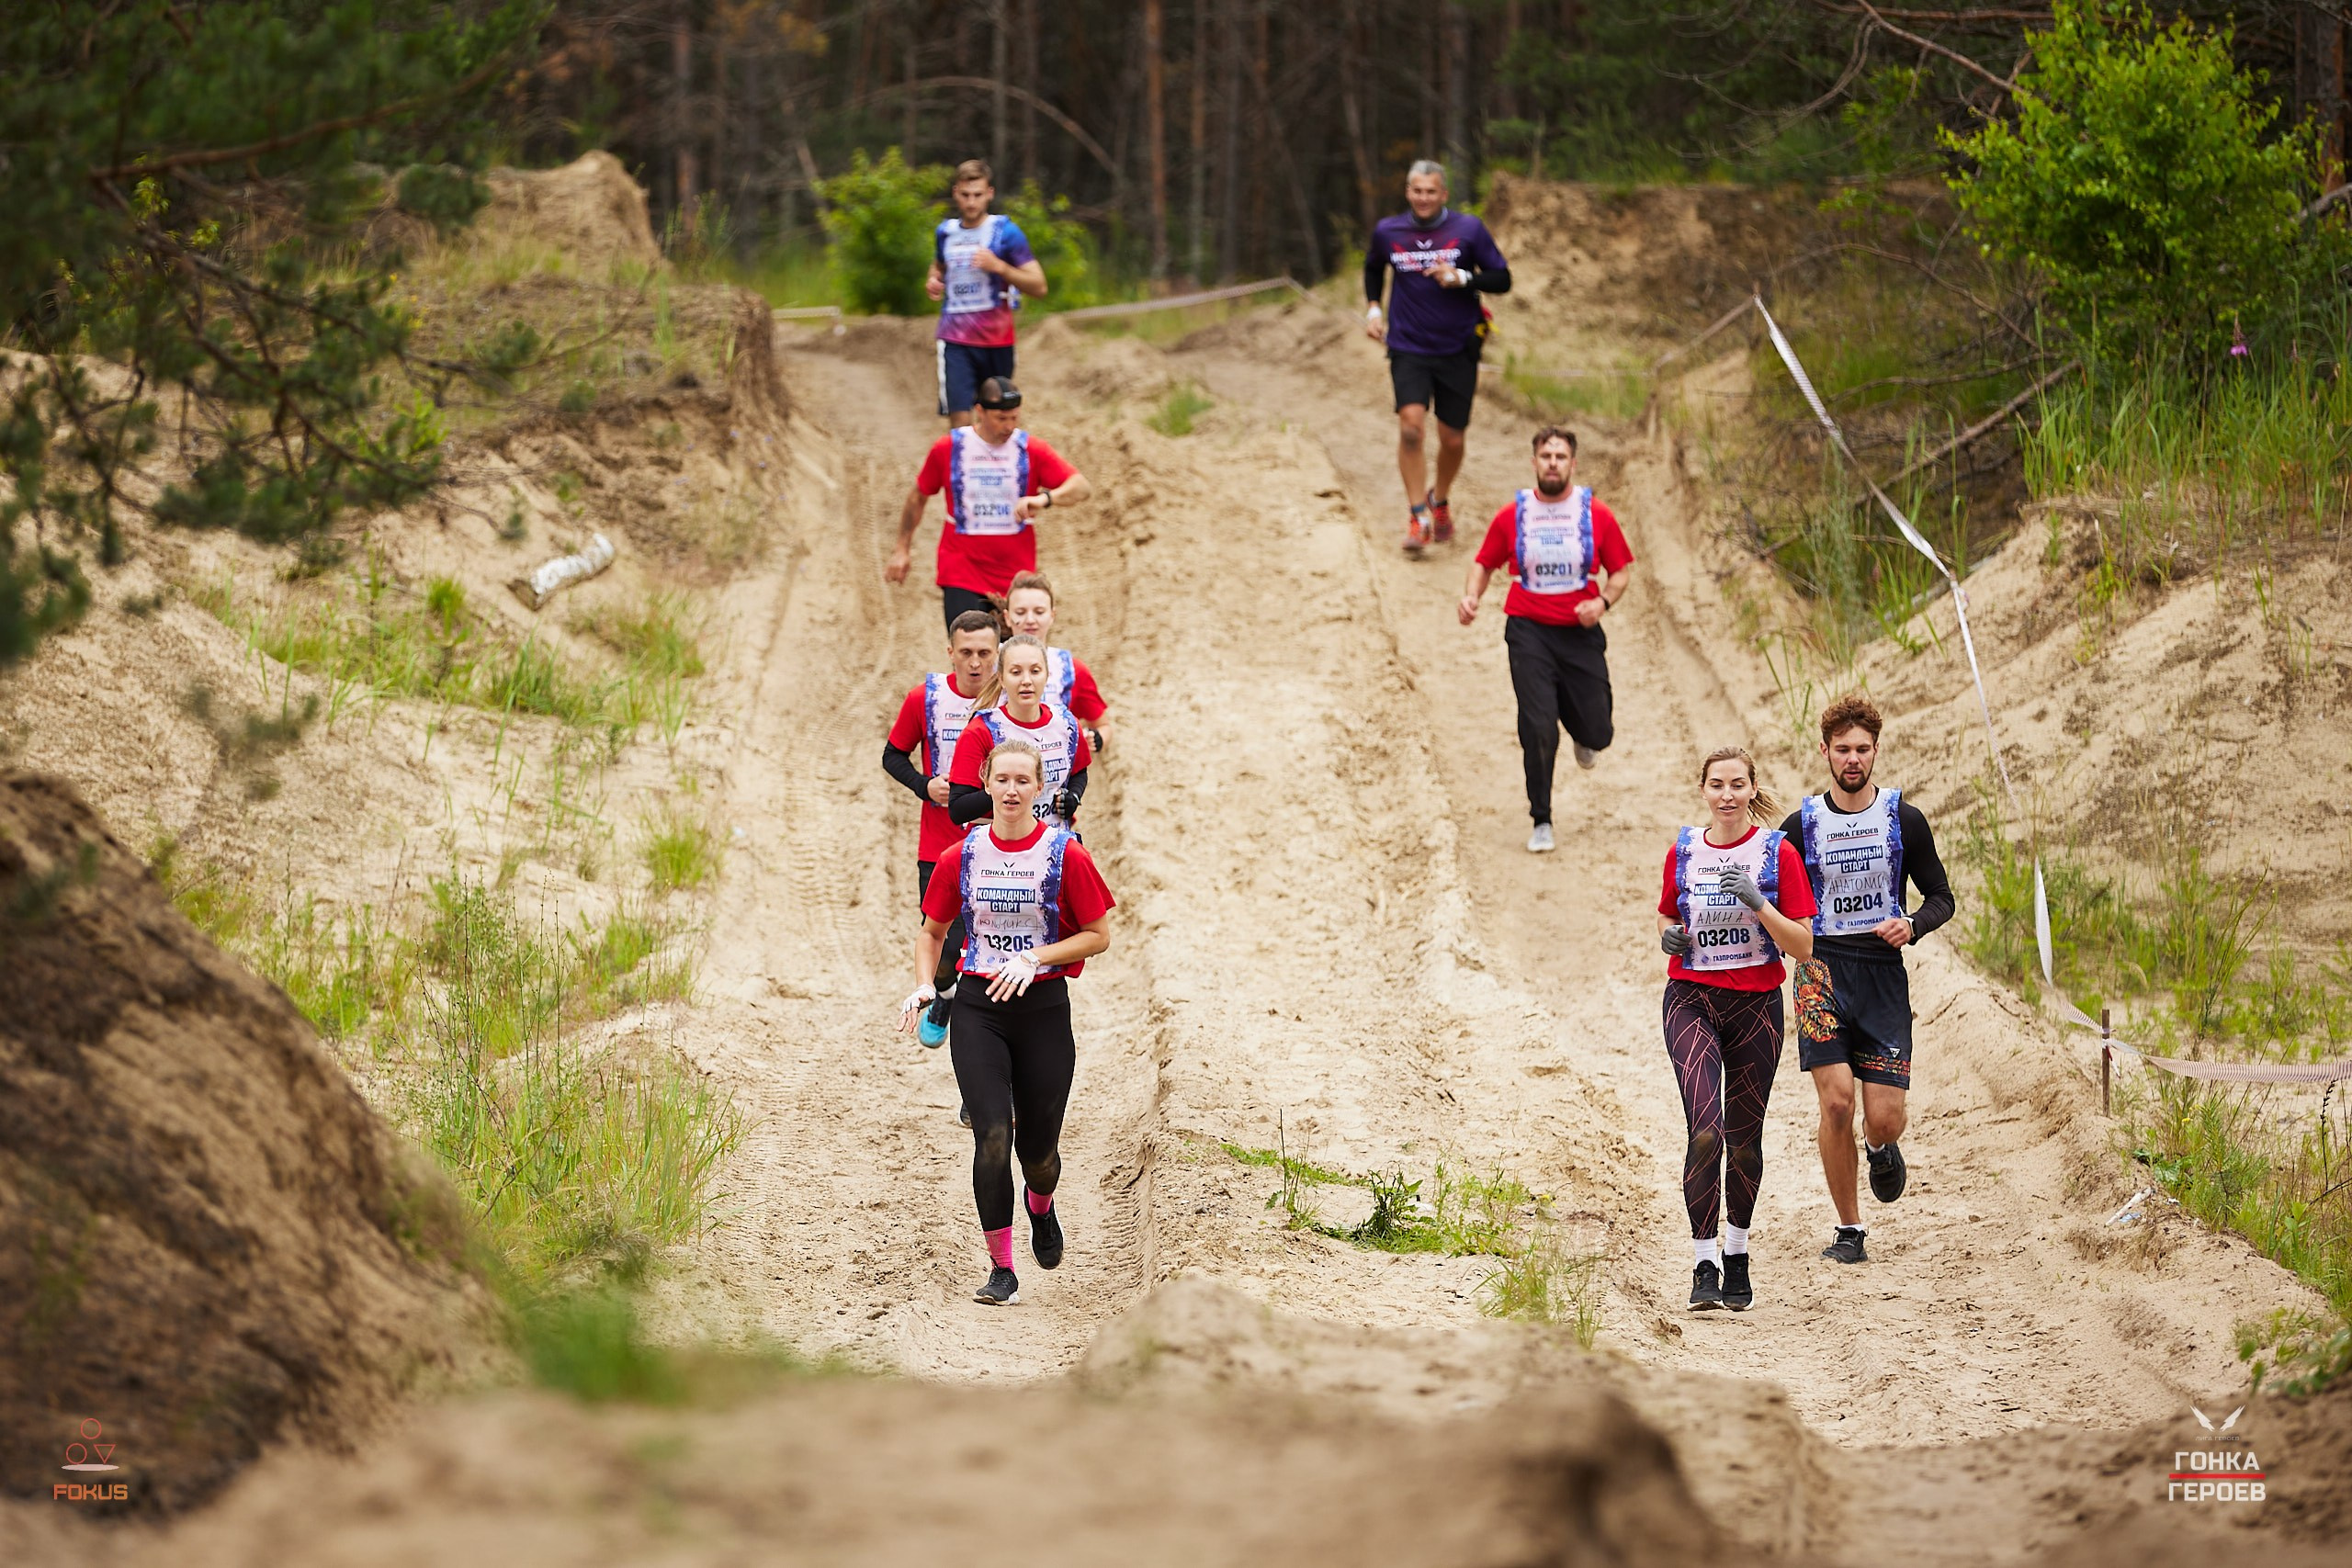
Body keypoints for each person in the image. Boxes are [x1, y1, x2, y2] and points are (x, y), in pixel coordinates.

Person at [901, 735, 1114, 1306]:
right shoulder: (961, 855)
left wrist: (1035, 956)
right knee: (994, 1135)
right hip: (979, 1008)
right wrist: (926, 984)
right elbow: (931, 932)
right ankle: (1001, 1267)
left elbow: (1099, 935)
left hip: (1043, 1010)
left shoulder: (1066, 854)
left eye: (1025, 780)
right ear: (988, 785)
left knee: (1039, 1156)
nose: (1013, 789)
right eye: (1003, 779)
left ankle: (1040, 1205)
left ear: (1040, 788)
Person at [1779, 694, 1956, 1267]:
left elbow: (1942, 897)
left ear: (1875, 751)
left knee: (1882, 1116)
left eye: (1862, 750)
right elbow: (1772, 898)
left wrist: (1912, 924)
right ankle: (1849, 1228)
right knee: (1835, 1105)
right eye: (1842, 750)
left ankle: (1881, 1147)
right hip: (1820, 970)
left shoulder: (1903, 820)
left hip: (1882, 975)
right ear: (1826, 753)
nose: (1852, 759)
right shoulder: (1801, 825)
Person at [1655, 746, 1816, 1312]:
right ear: (1703, 790)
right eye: (1717, 785)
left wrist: (1760, 906)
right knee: (1705, 1130)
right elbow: (1667, 913)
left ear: (1752, 790)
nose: (1727, 795)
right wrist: (1668, 935)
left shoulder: (1779, 854)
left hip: (1756, 1006)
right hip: (1691, 999)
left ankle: (1737, 1253)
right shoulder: (1685, 849)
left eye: (1737, 785)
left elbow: (1803, 945)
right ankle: (1703, 1264)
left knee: (1743, 1142)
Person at [1458, 426, 1634, 853]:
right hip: (1528, 628)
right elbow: (1484, 563)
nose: (1552, 462)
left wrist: (1603, 604)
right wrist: (1471, 596)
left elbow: (1623, 570)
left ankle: (1583, 734)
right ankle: (1542, 818)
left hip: (1580, 629)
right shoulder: (1512, 515)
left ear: (1573, 464)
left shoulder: (1596, 514)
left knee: (1599, 731)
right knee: (1538, 726)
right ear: (1534, 462)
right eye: (1545, 455)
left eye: (1560, 456)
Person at [1363, 159, 1511, 556]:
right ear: (1407, 193)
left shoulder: (1469, 230)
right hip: (1408, 346)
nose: (1423, 198)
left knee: (1453, 437)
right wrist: (1374, 308)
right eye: (1416, 191)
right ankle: (1417, 516)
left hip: (1459, 345)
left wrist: (1463, 277)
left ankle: (1439, 499)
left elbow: (1503, 278)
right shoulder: (1388, 231)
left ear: (1444, 194)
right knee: (1411, 427)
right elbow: (1373, 266)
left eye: (1431, 191)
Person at [883, 609, 1002, 1051]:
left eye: (985, 654)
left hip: (995, 845)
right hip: (937, 843)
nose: (975, 664)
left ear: (997, 654)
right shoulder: (925, 698)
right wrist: (923, 785)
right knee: (944, 951)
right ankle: (945, 995)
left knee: (986, 958)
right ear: (950, 652)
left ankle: (982, 1071)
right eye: (966, 653)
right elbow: (892, 755)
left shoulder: (1008, 703)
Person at [887, 377, 1092, 632]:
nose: (1009, 426)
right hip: (962, 569)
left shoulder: (1030, 449)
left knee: (1015, 662)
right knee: (971, 653)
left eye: (1014, 418)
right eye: (1001, 419)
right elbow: (918, 496)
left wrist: (1044, 499)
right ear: (980, 411)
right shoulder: (949, 448)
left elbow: (1081, 487)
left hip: (1016, 575)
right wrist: (901, 548)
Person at [925, 159, 1048, 426]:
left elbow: (1039, 286)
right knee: (960, 423)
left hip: (997, 340)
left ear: (989, 194)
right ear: (956, 192)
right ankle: (963, 467)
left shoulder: (1005, 232)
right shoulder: (945, 233)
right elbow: (939, 266)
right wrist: (934, 280)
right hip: (955, 338)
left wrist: (1000, 267)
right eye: (966, 195)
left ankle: (996, 468)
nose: (971, 203)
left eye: (978, 195)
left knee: (998, 420)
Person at [946, 634, 1091, 836]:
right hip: (998, 854)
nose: (1026, 681)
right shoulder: (982, 729)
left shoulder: (1066, 722)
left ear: (1047, 675)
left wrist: (1073, 797)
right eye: (1016, 672)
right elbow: (958, 809)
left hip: (1054, 846)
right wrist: (1009, 790)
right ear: (1001, 678)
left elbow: (1079, 772)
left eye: (1035, 671)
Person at [1002, 570, 1112, 756]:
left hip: (1055, 776)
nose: (1030, 620)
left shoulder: (1070, 669)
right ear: (1007, 616)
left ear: (1052, 615)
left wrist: (1094, 739)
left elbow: (1103, 726)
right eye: (1020, 612)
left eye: (1039, 612)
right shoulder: (988, 663)